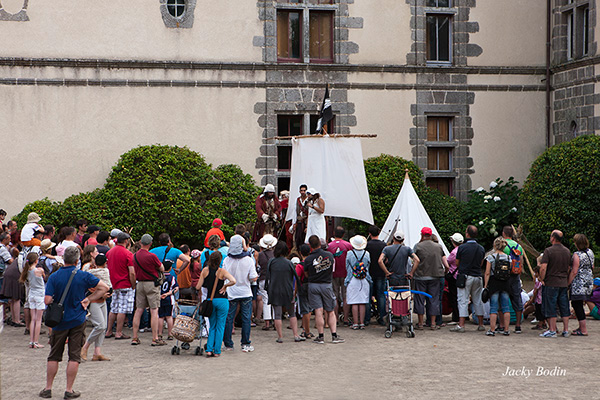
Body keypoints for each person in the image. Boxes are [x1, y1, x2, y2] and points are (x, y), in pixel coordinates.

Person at [40, 246, 109, 399]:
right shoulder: (83, 276)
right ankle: (69, 390)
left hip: (59, 321)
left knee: (54, 355)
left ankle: (48, 388)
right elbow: (104, 287)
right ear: (77, 260)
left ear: (63, 259)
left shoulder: (54, 276)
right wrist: (88, 299)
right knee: (74, 356)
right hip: (77, 318)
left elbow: (47, 300)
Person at [304, 235, 344, 344]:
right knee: (330, 311)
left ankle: (321, 336)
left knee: (318, 310)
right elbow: (332, 269)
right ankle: (334, 335)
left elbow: (306, 273)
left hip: (313, 284)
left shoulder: (308, 259)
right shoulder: (329, 256)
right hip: (326, 284)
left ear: (310, 245)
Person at [196, 251, 236, 357]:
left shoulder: (205, 270)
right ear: (219, 261)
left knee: (212, 326)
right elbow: (233, 280)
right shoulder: (222, 271)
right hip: (222, 300)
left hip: (211, 300)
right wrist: (225, 286)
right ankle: (217, 351)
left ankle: (209, 349)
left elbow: (197, 286)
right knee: (220, 326)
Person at [223, 235, 258, 352]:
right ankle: (245, 343)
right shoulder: (248, 259)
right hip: (245, 292)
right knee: (246, 318)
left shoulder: (227, 260)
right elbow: (253, 278)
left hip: (231, 292)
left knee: (229, 318)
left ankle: (228, 344)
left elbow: (223, 276)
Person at [409, 228, 448, 330]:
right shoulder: (438, 246)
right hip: (435, 276)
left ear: (422, 234)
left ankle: (421, 323)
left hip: (420, 276)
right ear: (431, 235)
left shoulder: (417, 246)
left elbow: (412, 260)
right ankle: (433, 323)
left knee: (419, 299)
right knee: (433, 299)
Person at [131, 234, 165, 346]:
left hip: (140, 283)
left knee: (139, 310)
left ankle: (135, 337)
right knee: (154, 310)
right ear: (150, 243)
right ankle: (155, 338)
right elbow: (162, 268)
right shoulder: (152, 256)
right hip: (151, 284)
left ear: (141, 242)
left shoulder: (134, 256)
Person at [265, 241, 302, 343]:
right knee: (292, 313)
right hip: (287, 289)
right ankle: (295, 335)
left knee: (277, 314)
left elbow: (268, 277)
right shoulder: (289, 263)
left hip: (274, 290)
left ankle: (280, 337)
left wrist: (267, 289)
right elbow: (296, 277)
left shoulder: (271, 262)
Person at [451, 225, 485, 333]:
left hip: (465, 276)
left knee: (463, 300)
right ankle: (481, 324)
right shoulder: (481, 248)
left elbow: (457, 263)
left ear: (467, 234)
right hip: (478, 276)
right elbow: (481, 263)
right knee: (477, 300)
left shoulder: (462, 248)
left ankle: (461, 325)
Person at [539, 230, 572, 338]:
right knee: (564, 306)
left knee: (551, 305)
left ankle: (552, 329)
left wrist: (542, 278)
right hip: (563, 282)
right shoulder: (567, 251)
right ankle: (566, 330)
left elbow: (543, 267)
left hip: (551, 281)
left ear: (553, 238)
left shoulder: (548, 251)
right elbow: (568, 268)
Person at [81, 253, 112, 361]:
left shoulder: (89, 271)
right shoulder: (104, 271)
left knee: (103, 327)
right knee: (101, 326)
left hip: (101, 300)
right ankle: (85, 347)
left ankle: (97, 352)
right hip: (93, 300)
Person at [105, 232, 134, 340]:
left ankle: (108, 331)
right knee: (122, 309)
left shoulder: (109, 252)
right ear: (126, 241)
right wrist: (133, 284)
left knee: (114, 307)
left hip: (114, 282)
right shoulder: (128, 254)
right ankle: (119, 332)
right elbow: (132, 272)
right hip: (125, 283)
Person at [483, 237, 512, 337]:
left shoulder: (491, 257)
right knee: (505, 307)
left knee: (493, 307)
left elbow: (487, 273)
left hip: (494, 282)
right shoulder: (509, 258)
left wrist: (485, 285)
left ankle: (492, 329)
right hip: (505, 283)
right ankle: (506, 329)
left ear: (495, 245)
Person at [568, 233, 594, 336]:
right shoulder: (590, 252)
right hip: (588, 281)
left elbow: (574, 271)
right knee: (579, 304)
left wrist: (568, 283)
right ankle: (581, 326)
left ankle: (583, 329)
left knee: (576, 304)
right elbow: (592, 266)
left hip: (579, 283)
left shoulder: (577, 255)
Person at [500, 226, 525, 334]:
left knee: (502, 299)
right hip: (515, 275)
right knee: (517, 299)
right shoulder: (518, 246)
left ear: (504, 233)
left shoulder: (502, 245)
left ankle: (502, 325)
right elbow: (521, 262)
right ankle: (518, 326)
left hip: (504, 276)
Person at [345, 235, 372, 330]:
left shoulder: (349, 253)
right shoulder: (367, 254)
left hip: (352, 279)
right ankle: (362, 323)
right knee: (362, 302)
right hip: (364, 279)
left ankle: (355, 323)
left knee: (354, 302)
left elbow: (347, 267)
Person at [328, 226, 353, 326]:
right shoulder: (348, 245)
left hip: (333, 274)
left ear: (334, 233)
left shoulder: (329, 246)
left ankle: (335, 318)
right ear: (343, 234)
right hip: (346, 273)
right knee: (345, 296)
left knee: (334, 296)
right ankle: (346, 318)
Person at [18, 252, 45, 347]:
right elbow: (44, 277)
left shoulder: (26, 271)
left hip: (31, 294)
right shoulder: (39, 270)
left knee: (33, 319)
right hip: (39, 294)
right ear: (36, 260)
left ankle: (31, 341)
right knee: (38, 320)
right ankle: (36, 341)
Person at [364, 225, 387, 326]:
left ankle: (367, 318)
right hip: (381, 272)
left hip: (369, 272)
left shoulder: (367, 245)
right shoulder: (384, 245)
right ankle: (382, 318)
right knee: (381, 295)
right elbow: (386, 259)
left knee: (368, 296)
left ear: (369, 234)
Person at [257, 234, 277, 330]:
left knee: (266, 300)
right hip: (274, 279)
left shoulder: (260, 255)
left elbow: (258, 266)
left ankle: (267, 323)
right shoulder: (275, 254)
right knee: (274, 300)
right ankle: (275, 320)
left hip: (263, 279)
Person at [445, 233, 463, 324]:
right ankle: (463, 315)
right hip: (463, 275)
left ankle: (456, 317)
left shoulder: (454, 252)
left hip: (454, 276)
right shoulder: (464, 249)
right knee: (463, 297)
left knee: (454, 296)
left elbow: (448, 262)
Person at [158, 260, 178, 340]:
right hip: (169, 299)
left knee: (160, 317)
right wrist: (169, 293)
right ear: (170, 269)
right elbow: (176, 288)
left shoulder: (159, 277)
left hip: (160, 298)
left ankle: (159, 334)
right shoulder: (172, 278)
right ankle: (170, 334)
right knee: (169, 317)